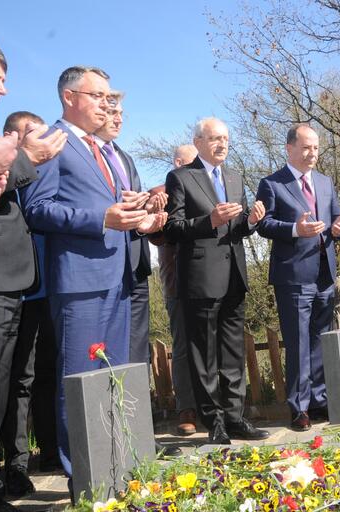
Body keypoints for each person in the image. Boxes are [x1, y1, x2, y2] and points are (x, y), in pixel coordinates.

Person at [21, 66, 166, 479]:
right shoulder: (52, 142)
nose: (106, 103)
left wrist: (135, 207)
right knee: (80, 384)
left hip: (117, 277)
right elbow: (38, 209)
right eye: (98, 95)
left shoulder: (103, 151)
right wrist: (101, 217)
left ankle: (118, 468)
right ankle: (84, 478)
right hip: (79, 283)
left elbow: (105, 204)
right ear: (70, 97)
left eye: (109, 97)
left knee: (113, 377)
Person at [0, 41, 67, 512]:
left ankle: (5, 473)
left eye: (1, 78)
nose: (0, 86)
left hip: (24, 285)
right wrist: (21, 162)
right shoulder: (14, 157)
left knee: (12, 383)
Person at [164, 117, 269, 444]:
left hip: (234, 276)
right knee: (204, 356)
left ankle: (236, 418)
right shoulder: (181, 177)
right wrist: (209, 220)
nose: (222, 144)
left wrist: (250, 221)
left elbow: (234, 229)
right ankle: (215, 423)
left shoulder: (235, 178)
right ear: (198, 142)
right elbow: (172, 229)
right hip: (200, 279)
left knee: (233, 353)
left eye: (225, 138)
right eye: (215, 139)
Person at [256, 124, 340, 431]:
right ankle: (299, 408)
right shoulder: (272, 184)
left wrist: (338, 229)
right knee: (297, 343)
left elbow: (335, 219)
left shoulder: (325, 181)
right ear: (289, 148)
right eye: (306, 148)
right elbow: (263, 225)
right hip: (293, 276)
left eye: (317, 148)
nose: (313, 154)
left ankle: (320, 401)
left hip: (324, 272)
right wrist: (295, 230)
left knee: (320, 341)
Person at [0, 112, 61, 501]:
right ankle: (15, 465)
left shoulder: (45, 174)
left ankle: (51, 450)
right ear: (12, 137)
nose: (42, 142)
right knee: (15, 382)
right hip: (9, 293)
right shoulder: (1, 172)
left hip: (45, 291)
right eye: (32, 135)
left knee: (46, 373)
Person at [93, 92, 167, 367]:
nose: (119, 119)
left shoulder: (124, 157)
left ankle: (138, 407)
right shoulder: (86, 154)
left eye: (122, 114)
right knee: (106, 352)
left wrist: (147, 212)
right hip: (103, 262)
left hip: (136, 263)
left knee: (137, 351)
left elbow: (133, 204)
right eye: (113, 112)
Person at [149, 144, 198, 436]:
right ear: (178, 162)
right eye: (192, 162)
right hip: (178, 281)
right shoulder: (160, 194)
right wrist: (158, 214)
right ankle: (186, 409)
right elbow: (153, 235)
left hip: (212, 278)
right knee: (182, 348)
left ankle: (215, 406)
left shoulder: (209, 185)